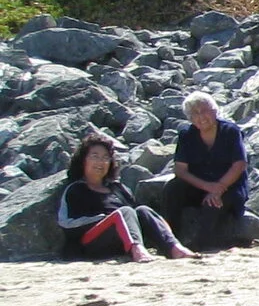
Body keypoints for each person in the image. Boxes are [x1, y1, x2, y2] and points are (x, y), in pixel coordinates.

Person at [57, 133, 192, 261]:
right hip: (91, 243)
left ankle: (175, 248)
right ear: (83, 160)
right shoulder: (75, 190)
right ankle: (137, 250)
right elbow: (67, 224)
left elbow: (136, 215)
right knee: (125, 212)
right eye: (95, 156)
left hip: (122, 239)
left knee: (143, 210)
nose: (100, 162)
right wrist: (105, 218)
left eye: (105, 158)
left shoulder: (117, 188)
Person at [167, 92, 247, 250]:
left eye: (204, 111)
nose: (201, 117)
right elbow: (181, 170)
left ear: (214, 111)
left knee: (213, 204)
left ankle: (202, 245)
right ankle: (170, 240)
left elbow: (239, 164)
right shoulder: (187, 135)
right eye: (195, 113)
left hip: (229, 186)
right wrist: (207, 187)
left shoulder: (230, 132)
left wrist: (218, 188)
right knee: (172, 189)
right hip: (200, 186)